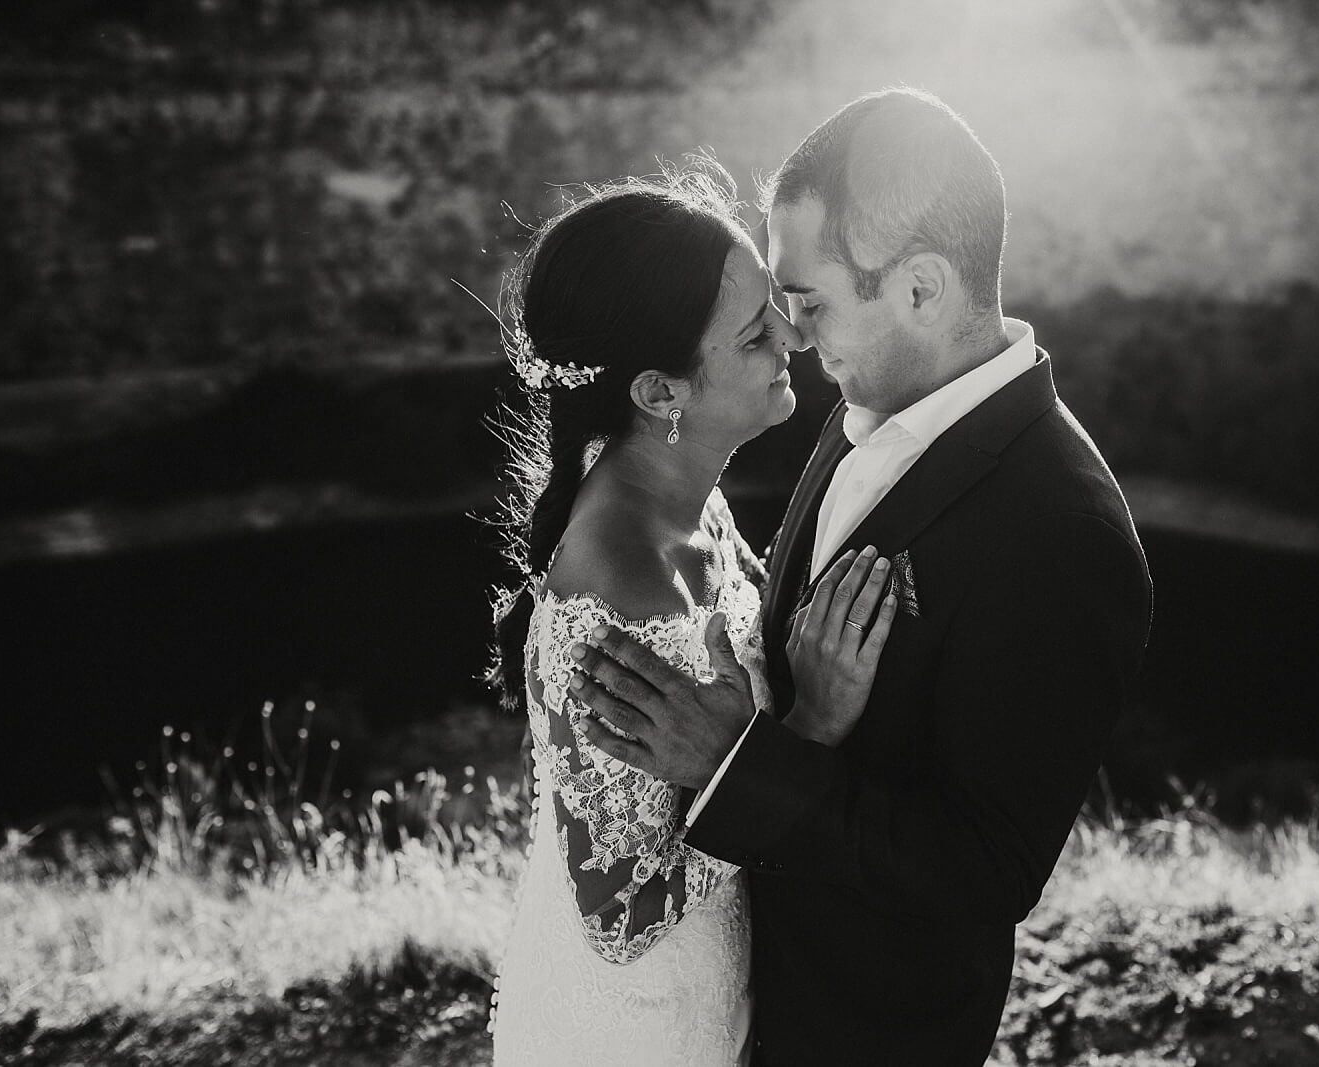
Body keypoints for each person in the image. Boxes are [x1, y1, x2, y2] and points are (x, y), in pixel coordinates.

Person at [570, 88, 1154, 1065]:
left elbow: (984, 870)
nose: (792, 335)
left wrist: (739, 763)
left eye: (810, 301)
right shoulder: (871, 399)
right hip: (728, 1002)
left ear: (920, 289)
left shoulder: (1062, 531)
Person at [484, 166, 898, 1067]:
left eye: (775, 304)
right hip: (638, 1029)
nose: (792, 333)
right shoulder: (617, 602)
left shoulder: (687, 501)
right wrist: (807, 731)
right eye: (755, 333)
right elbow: (619, 915)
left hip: (719, 986)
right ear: (659, 393)